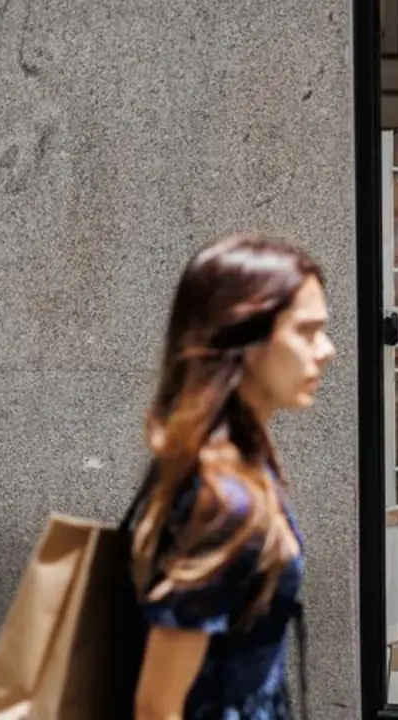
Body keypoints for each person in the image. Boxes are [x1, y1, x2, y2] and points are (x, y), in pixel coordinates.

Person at [128, 232, 335, 719]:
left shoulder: (241, 461)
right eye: (306, 332)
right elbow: (157, 707)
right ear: (245, 340)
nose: (326, 350)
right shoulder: (222, 499)